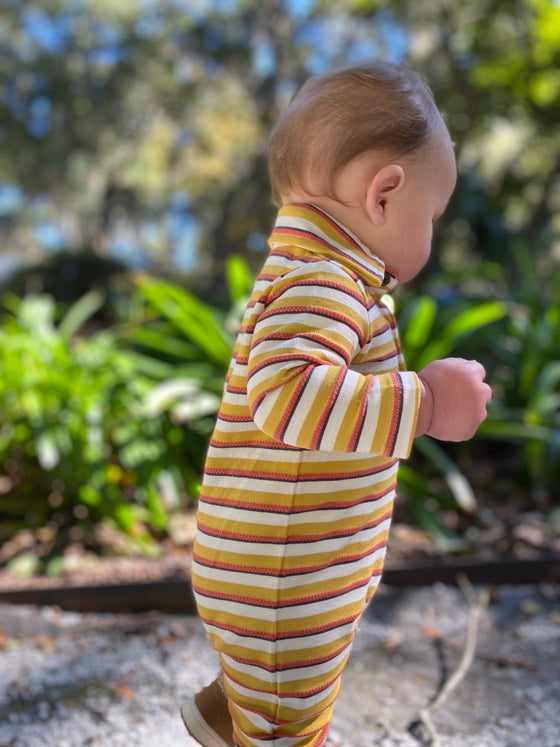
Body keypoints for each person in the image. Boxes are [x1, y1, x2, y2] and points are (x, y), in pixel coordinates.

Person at [181, 60, 492, 747]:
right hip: (286, 587)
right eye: (431, 215)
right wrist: (428, 403)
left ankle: (228, 717)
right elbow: (287, 395)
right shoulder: (325, 281)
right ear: (384, 194)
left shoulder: (310, 273)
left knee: (271, 697)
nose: (432, 237)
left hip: (277, 572)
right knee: (292, 721)